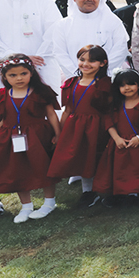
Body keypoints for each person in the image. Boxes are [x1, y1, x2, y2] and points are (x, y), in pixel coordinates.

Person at [0, 55, 61, 222]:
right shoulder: (2, 95)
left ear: (31, 73)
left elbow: (51, 114)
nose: (19, 78)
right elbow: (1, 119)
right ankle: (26, 205)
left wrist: (58, 134)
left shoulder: (40, 92)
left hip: (38, 136)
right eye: (13, 75)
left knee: (42, 167)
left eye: (23, 73)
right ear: (5, 77)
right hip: (11, 137)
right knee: (18, 169)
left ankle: (49, 202)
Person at [47, 45, 113, 207]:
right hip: (76, 126)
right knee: (84, 157)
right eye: (82, 60)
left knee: (98, 156)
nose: (86, 64)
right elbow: (67, 109)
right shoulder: (71, 83)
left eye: (92, 61)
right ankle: (87, 191)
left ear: (103, 63)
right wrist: (60, 132)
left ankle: (108, 191)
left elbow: (111, 109)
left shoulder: (106, 84)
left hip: (98, 125)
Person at [41, 0, 129, 79]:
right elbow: (60, 53)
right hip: (75, 80)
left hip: (106, 79)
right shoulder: (63, 25)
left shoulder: (113, 22)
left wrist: (103, 74)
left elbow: (120, 50)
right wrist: (77, 76)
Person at [94, 68, 139, 204]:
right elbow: (109, 122)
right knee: (119, 169)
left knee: (135, 168)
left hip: (138, 142)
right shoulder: (117, 105)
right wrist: (116, 138)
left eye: (130, 84)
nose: (127, 88)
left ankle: (135, 193)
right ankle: (119, 193)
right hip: (120, 142)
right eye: (122, 85)